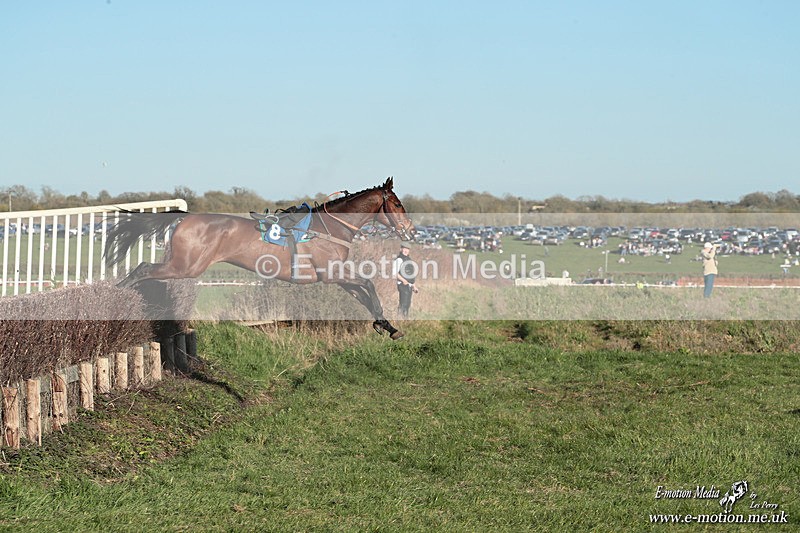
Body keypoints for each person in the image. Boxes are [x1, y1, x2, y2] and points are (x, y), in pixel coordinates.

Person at [394, 244, 418, 318]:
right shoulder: (399, 260)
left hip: (409, 285)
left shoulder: (409, 260)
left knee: (407, 304)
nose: (406, 250)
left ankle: (405, 320)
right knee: (403, 304)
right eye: (404, 249)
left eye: (407, 249)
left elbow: (411, 275)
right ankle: (400, 319)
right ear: (401, 249)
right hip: (402, 284)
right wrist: (403, 280)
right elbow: (395, 273)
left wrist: (414, 286)